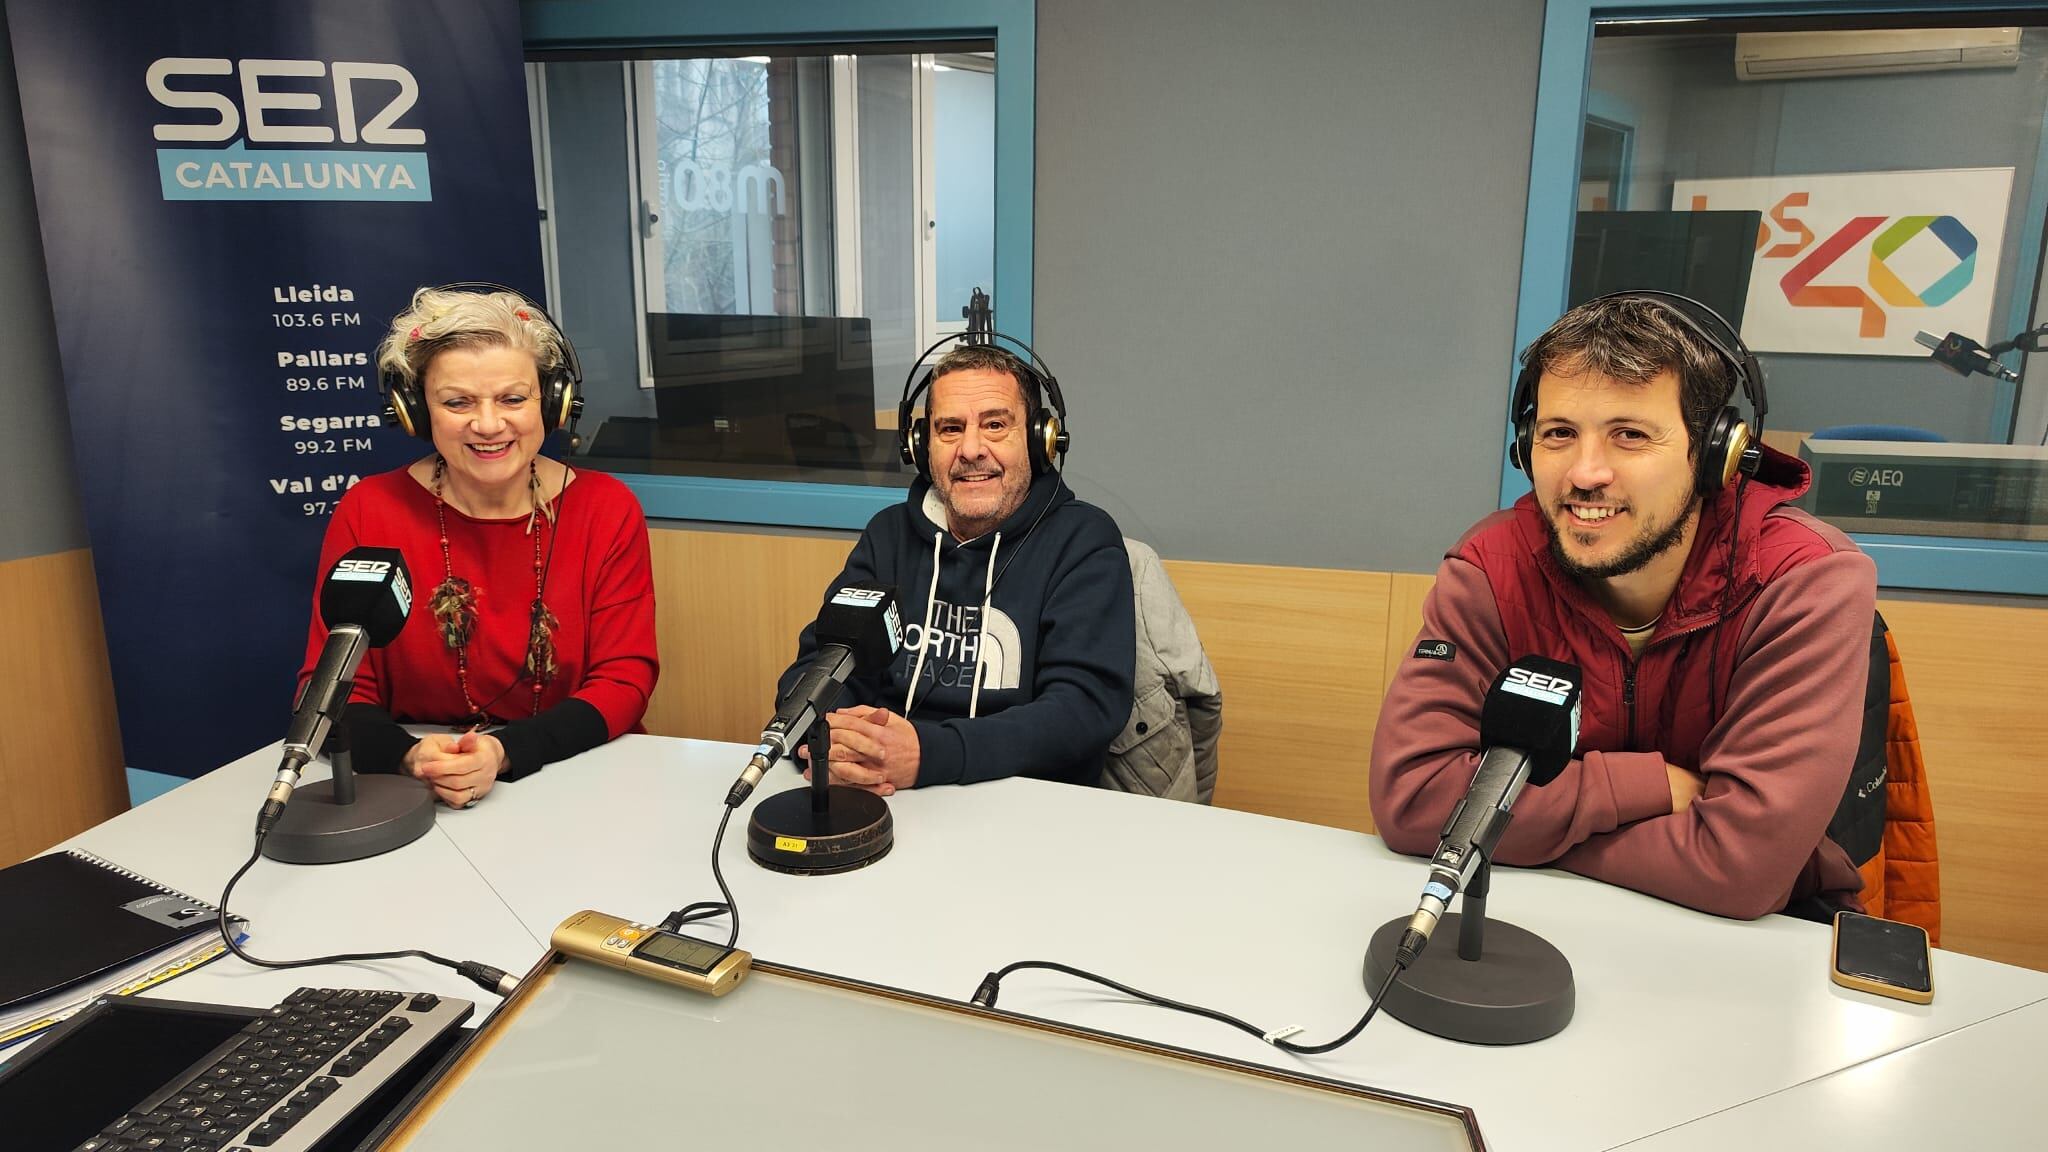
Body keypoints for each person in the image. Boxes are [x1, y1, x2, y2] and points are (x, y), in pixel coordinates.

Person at [1370, 293, 1878, 920]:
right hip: (1539, 914)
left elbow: (1740, 871)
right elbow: (1413, 797)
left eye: (1630, 435)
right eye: (1560, 434)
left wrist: (1493, 830)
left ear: (1715, 452)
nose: (1585, 473)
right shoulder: (1492, 568)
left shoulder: (1802, 582)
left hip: (1752, 947)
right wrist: (1649, 787)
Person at [298, 286, 658, 808]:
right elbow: (330, 686)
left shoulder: (606, 507)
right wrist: (410, 756)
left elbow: (626, 679)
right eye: (457, 402)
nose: (488, 424)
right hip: (416, 790)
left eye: (512, 398)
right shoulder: (369, 510)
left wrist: (503, 752)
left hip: (580, 778)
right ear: (417, 411)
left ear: (553, 403)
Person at [779, 343, 1134, 792]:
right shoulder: (889, 535)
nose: (970, 449)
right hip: (883, 794)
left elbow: (1083, 709)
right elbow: (821, 663)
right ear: (921, 446)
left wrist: (927, 755)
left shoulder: (1084, 542)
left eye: (995, 425)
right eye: (950, 429)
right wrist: (828, 738)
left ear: (1040, 439)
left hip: (1029, 806)